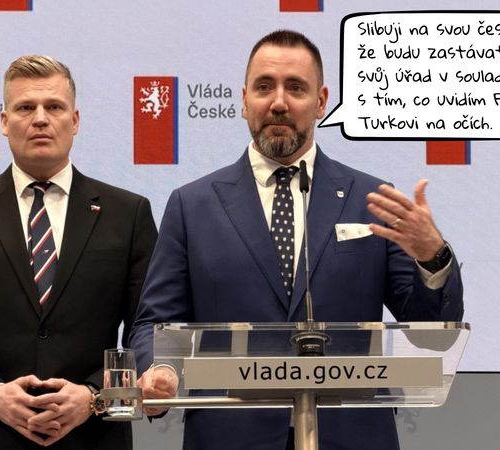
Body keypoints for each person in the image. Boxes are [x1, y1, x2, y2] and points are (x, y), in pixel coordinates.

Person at [129, 30, 464, 450]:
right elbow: (153, 323)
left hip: (350, 436)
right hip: (229, 436)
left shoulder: (371, 199)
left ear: (321, 102)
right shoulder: (191, 205)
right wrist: (158, 368)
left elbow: (428, 331)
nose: (279, 102)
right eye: (264, 87)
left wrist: (432, 257)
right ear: (244, 100)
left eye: (296, 88)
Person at [0, 55, 157, 450]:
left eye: (54, 107)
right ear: (5, 122)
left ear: (75, 120)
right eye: (25, 107)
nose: (40, 118)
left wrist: (94, 396)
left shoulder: (128, 213)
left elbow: (150, 330)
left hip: (93, 437)